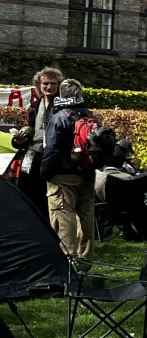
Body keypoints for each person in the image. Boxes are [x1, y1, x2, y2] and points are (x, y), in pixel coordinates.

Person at [41, 78, 101, 260]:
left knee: (63, 216)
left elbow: (51, 149)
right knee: (86, 215)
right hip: (87, 173)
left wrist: (45, 172)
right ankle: (86, 258)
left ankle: (67, 260)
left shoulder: (59, 117)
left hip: (63, 175)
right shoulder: (90, 115)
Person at [10, 66, 64, 216]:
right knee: (27, 190)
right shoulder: (34, 107)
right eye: (45, 83)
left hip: (54, 156)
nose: (49, 87)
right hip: (33, 154)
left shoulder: (63, 107)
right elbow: (29, 129)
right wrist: (19, 140)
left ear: (59, 85)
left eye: (53, 83)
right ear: (39, 86)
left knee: (49, 196)